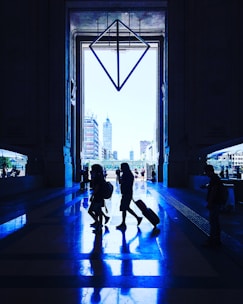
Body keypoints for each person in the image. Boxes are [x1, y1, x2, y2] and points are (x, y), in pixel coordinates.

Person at [201, 164, 223, 247]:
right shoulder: (215, 178)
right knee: (215, 221)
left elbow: (214, 191)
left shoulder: (214, 179)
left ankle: (212, 240)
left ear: (208, 171)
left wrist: (210, 202)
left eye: (206, 172)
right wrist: (206, 186)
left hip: (215, 202)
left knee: (213, 221)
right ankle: (217, 239)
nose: (205, 174)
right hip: (217, 202)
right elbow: (212, 187)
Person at [116, 162, 142, 230]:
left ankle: (137, 218)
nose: (121, 168)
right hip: (128, 193)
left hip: (126, 193)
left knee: (125, 208)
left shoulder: (126, 175)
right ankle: (124, 222)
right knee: (125, 208)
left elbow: (120, 182)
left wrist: (118, 175)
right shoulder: (129, 174)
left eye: (121, 167)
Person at [88, 164, 109, 231]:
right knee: (98, 211)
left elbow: (96, 188)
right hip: (100, 196)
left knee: (90, 211)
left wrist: (92, 196)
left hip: (97, 196)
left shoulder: (97, 178)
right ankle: (100, 223)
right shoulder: (101, 177)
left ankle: (98, 223)